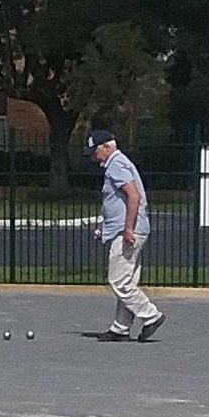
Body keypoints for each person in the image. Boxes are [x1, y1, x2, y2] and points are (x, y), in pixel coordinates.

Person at [89, 126, 164, 341]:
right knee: (127, 281)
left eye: (96, 152)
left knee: (118, 281)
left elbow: (133, 196)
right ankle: (120, 328)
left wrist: (128, 229)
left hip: (128, 230)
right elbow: (117, 202)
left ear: (107, 147)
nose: (95, 157)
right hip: (125, 227)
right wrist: (106, 226)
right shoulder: (116, 164)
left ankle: (151, 315)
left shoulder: (116, 164)